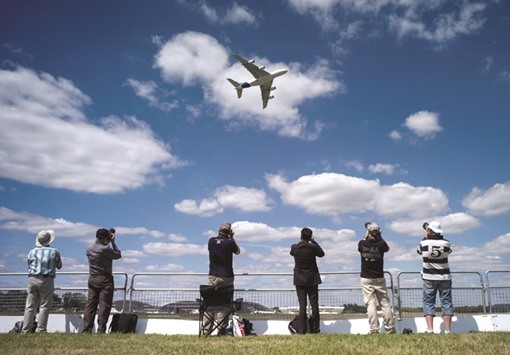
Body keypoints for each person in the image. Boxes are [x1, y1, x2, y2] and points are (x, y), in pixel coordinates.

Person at [22, 230, 63, 333]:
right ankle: (41, 329)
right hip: (46, 279)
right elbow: (59, 266)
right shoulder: (54, 251)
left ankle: (25, 329)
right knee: (44, 305)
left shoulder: (32, 251)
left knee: (30, 306)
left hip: (32, 278)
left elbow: (29, 265)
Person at [358, 222, 395, 334]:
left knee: (370, 304)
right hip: (379, 277)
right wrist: (380, 235)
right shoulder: (381, 244)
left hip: (366, 278)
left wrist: (367, 234)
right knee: (384, 303)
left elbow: (362, 245)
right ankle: (390, 328)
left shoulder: (362, 243)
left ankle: (374, 329)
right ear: (379, 233)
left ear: (368, 232)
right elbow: (387, 248)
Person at [203, 222, 241, 335]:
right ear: (229, 231)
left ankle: (206, 331)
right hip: (227, 276)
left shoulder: (211, 241)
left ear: (219, 230)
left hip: (213, 275)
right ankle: (221, 330)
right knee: (224, 304)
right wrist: (232, 238)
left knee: (210, 303)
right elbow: (238, 251)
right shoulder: (230, 242)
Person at [83, 228, 121, 333]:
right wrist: (113, 242)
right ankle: (101, 329)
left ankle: (86, 329)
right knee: (104, 305)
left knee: (90, 304)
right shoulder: (105, 249)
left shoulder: (89, 248)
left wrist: (107, 241)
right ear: (105, 237)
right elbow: (118, 255)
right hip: (105, 279)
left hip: (92, 277)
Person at [417, 221, 453, 334]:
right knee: (446, 302)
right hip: (445, 277)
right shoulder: (446, 243)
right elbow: (449, 251)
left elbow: (419, 251)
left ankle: (430, 329)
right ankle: (447, 330)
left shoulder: (424, 243)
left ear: (429, 231)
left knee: (428, 302)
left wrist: (425, 236)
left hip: (429, 276)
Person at [290, 227, 325, 334]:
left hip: (299, 280)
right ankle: (315, 329)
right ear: (310, 236)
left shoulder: (294, 248)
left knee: (302, 305)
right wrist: (314, 241)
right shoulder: (312, 247)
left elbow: (292, 252)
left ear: (300, 236)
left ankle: (302, 329)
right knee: (314, 305)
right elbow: (322, 254)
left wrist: (302, 241)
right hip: (312, 279)